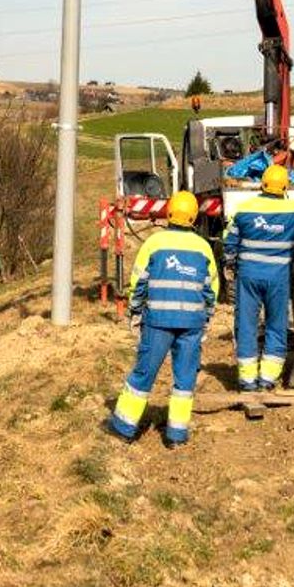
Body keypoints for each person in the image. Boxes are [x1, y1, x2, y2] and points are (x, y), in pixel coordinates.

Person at [108, 190, 219, 446]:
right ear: (193, 217)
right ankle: (176, 435)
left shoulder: (154, 243)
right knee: (185, 378)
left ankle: (124, 428)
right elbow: (211, 289)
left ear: (168, 212)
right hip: (191, 324)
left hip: (157, 321)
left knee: (144, 374)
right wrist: (207, 318)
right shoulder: (203, 248)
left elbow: (139, 283)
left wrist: (135, 312)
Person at [224, 164, 294, 391]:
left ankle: (247, 380)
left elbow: (231, 241)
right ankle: (268, 379)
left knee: (246, 325)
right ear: (285, 186)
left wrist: (230, 263)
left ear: (262, 183)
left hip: (248, 276)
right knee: (276, 324)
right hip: (277, 277)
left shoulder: (244, 209)